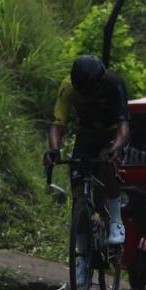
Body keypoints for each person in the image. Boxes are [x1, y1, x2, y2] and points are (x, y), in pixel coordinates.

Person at [45, 55, 131, 250]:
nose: (86, 96)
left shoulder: (114, 84)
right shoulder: (68, 87)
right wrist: (54, 150)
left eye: (90, 92)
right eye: (81, 92)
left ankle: (116, 220)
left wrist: (114, 149)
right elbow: (57, 124)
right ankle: (82, 254)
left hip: (111, 133)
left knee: (109, 165)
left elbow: (124, 128)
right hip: (87, 134)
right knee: (78, 194)